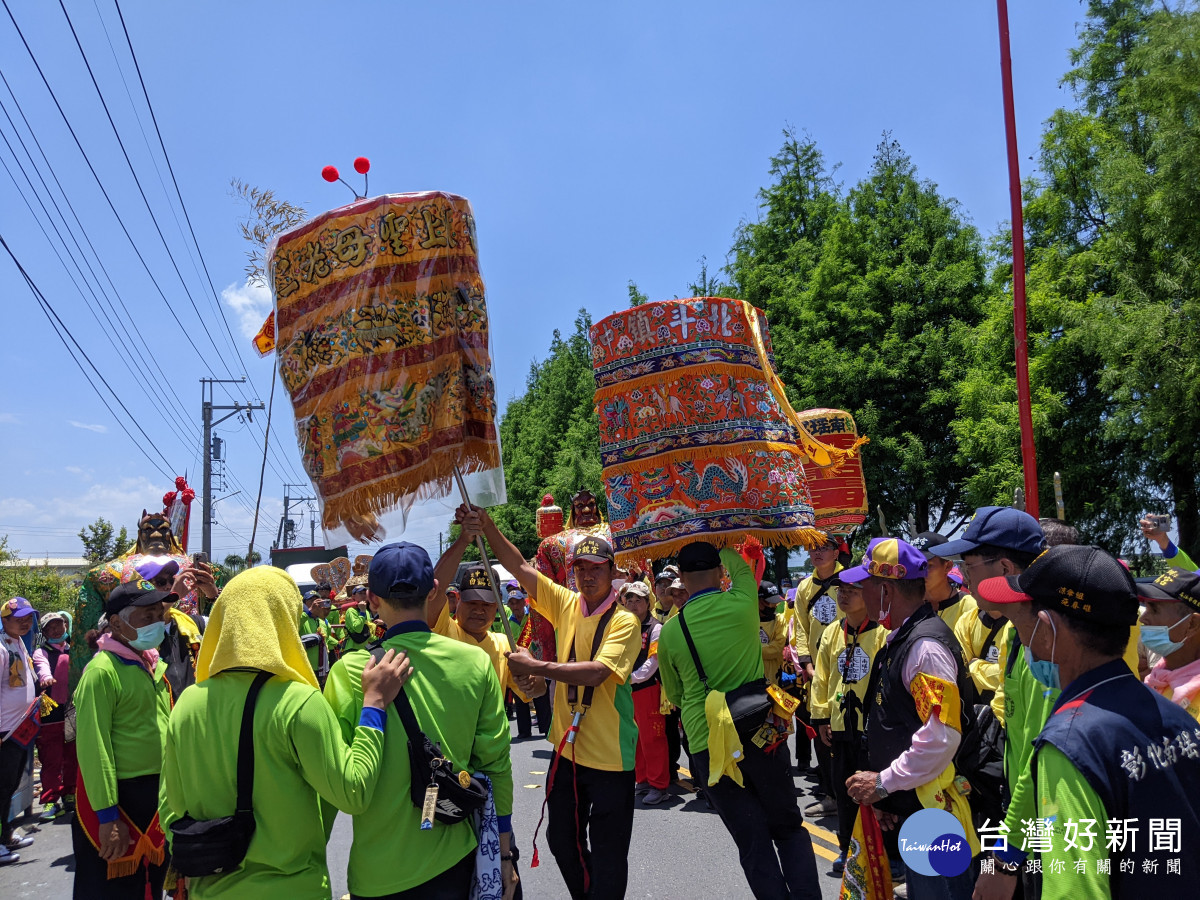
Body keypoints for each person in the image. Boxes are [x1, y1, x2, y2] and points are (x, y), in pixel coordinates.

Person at [160, 567, 410, 898]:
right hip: (294, 887)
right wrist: (375, 704)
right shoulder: (298, 700)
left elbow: (170, 812)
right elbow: (353, 792)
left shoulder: (188, 703)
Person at [975, 545, 1200, 895]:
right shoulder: (1173, 713)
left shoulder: (1070, 743)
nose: (1020, 636)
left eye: (1022, 619)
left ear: (1047, 629)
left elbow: (1075, 889)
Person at [945, 507, 1139, 900]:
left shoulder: (1048, 647)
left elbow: (1041, 757)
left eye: (969, 565)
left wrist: (1008, 856)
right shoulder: (1019, 635)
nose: (964, 578)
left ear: (1002, 566)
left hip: (1048, 820)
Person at [323, 541, 518, 900]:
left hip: (378, 874)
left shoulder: (350, 672)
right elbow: (496, 766)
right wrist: (505, 855)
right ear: (433, 592)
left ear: (372, 600)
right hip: (455, 861)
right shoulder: (474, 662)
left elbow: (336, 787)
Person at [469, 505, 641, 900]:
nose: (588, 574)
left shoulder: (624, 620)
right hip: (567, 749)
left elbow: (598, 672)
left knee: (610, 850)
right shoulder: (566, 602)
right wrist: (488, 525)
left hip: (611, 756)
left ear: (612, 571)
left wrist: (539, 666)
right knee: (561, 838)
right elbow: (518, 566)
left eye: (597, 567)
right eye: (581, 567)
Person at [658, 541, 820, 900]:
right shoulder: (743, 601)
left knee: (753, 843)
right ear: (720, 573)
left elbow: (676, 694)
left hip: (709, 745)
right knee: (789, 828)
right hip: (763, 730)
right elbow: (742, 565)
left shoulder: (671, 631)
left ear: (681, 579)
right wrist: (720, 536)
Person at [842, 538, 978, 900]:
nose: (860, 593)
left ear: (885, 590)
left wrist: (885, 783)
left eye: (864, 585)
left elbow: (941, 736)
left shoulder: (925, 649)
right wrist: (892, 796)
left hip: (937, 810)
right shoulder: (903, 638)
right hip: (918, 803)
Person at [73, 580, 174, 899]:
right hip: (120, 798)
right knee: (112, 889)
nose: (158, 621)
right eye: (148, 616)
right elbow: (94, 747)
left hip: (155, 793)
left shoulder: (150, 663)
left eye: (160, 613)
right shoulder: (101, 672)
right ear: (117, 623)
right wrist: (107, 815)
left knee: (152, 883)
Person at [809, 577, 886, 873]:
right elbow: (823, 678)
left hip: (869, 730)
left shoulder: (881, 634)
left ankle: (881, 854)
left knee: (875, 793)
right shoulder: (832, 632)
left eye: (852, 592)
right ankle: (846, 849)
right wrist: (822, 717)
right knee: (845, 793)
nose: (844, 597)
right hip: (840, 726)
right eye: (842, 591)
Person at [792, 532, 842, 818]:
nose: (817, 552)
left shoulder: (850, 580)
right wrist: (806, 662)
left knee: (847, 728)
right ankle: (829, 792)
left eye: (824, 548)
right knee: (819, 728)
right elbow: (800, 627)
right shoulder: (804, 587)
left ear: (836, 553)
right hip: (816, 672)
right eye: (812, 548)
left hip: (847, 667)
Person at [619, 581, 670, 806]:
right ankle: (642, 779)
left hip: (647, 689)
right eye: (629, 599)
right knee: (634, 738)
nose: (632, 604)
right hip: (627, 689)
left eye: (638, 599)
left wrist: (629, 678)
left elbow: (653, 663)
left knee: (652, 738)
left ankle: (659, 785)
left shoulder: (655, 628)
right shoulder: (622, 626)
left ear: (648, 603)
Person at [134, 557, 205, 698]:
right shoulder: (130, 627)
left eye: (171, 581)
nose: (168, 586)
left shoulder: (189, 622)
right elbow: (145, 622)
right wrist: (174, 597)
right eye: (161, 582)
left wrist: (212, 593)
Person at [0, 597, 38, 865]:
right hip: (4, 731)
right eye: (18, 618)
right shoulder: (1, 647)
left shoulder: (19, 642)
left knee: (10, 787)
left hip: (21, 728)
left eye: (28, 617)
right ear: (4, 620)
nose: (25, 622)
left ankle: (6, 836)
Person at [1138, 567, 1200, 721]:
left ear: (1192, 624)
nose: (1143, 618)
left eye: (1154, 610)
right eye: (1146, 607)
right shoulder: (1157, 678)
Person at [33, 609, 76, 821]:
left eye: (59, 624)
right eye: (51, 626)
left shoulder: (75, 650)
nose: (56, 628)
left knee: (72, 756)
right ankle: (50, 799)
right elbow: (41, 668)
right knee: (51, 758)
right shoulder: (41, 652)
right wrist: (46, 678)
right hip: (50, 713)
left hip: (72, 711)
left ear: (66, 626)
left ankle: (70, 793)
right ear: (45, 631)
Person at [534, 488, 612, 592]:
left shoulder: (612, 533)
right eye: (580, 506)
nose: (586, 510)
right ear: (573, 510)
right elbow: (546, 587)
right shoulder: (553, 543)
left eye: (591, 504)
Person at [911, 531, 978, 633]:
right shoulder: (908, 608)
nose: (919, 572)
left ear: (948, 566)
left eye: (927, 566)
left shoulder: (970, 607)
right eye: (913, 565)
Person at [300, 586, 337, 686]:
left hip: (322, 667)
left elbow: (327, 639)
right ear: (304, 603)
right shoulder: (302, 617)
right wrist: (309, 611)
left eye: (317, 600)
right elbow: (293, 626)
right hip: (307, 667)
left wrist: (339, 643)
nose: (315, 602)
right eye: (311, 600)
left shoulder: (323, 621)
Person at [757, 581, 789, 688]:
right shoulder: (747, 621)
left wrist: (752, 649)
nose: (774, 605)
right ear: (758, 601)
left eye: (775, 602)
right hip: (752, 679)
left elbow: (776, 649)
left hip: (774, 678)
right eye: (769, 602)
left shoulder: (779, 620)